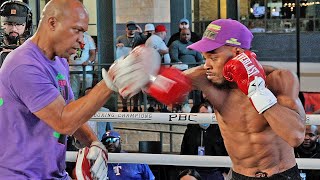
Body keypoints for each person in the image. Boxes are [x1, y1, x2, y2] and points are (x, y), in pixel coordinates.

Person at [0, 0, 157, 178]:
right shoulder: (24, 65)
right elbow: (63, 121)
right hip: (20, 175)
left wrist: (94, 143)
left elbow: (71, 110)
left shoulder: (59, 61)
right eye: (77, 30)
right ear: (52, 23)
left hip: (52, 173)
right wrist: (110, 81)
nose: (82, 42)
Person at [183, 19, 306, 179]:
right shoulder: (208, 79)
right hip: (239, 175)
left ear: (238, 54)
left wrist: (257, 90)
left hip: (281, 174)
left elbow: (295, 136)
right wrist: (147, 67)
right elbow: (162, 84)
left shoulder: (279, 79)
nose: (206, 65)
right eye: (204, 57)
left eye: (213, 58)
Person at [181, 103, 228, 180]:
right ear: (198, 114)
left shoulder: (219, 131)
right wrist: (184, 171)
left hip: (215, 172)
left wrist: (225, 172)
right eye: (202, 113)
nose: (205, 116)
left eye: (207, 114)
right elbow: (184, 150)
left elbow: (225, 150)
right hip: (194, 172)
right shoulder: (190, 131)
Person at [0, 0, 32, 65]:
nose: (14, 29)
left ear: (27, 26)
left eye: (19, 24)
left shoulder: (35, 51)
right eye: (9, 24)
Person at [69, 31, 96, 99]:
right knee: (73, 92)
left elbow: (93, 53)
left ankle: (87, 108)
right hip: (73, 70)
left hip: (86, 70)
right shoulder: (69, 37)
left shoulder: (88, 38)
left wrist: (88, 61)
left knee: (87, 92)